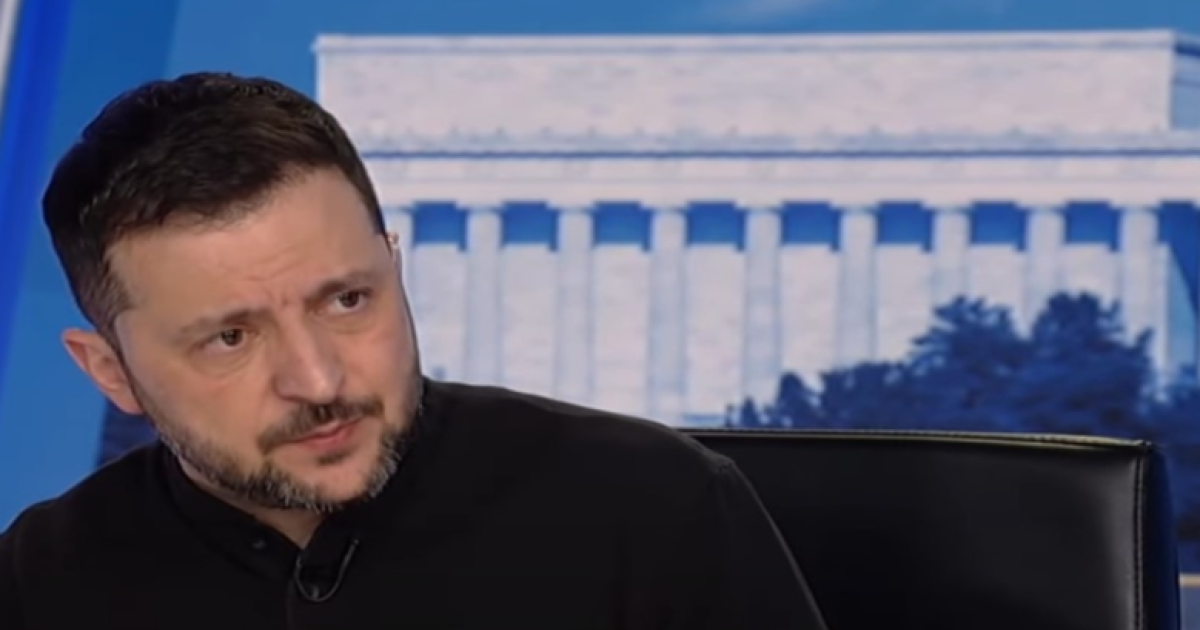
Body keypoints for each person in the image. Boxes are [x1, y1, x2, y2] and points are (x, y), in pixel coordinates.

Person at [0, 72, 828, 629]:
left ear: (393, 267)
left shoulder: (660, 509)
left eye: (347, 300)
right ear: (111, 372)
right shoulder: (36, 582)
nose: (318, 379)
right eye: (231, 338)